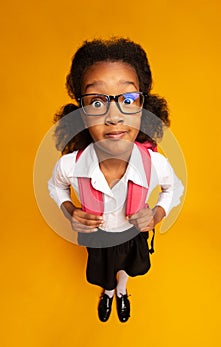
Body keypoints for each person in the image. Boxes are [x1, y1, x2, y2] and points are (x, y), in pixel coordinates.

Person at [48, 38, 184, 323]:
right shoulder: (71, 165)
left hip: (132, 236)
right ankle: (108, 292)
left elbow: (174, 188)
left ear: (144, 109)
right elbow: (55, 186)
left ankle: (122, 291)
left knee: (125, 269)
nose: (113, 116)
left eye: (128, 100)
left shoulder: (154, 164)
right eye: (97, 101)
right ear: (82, 115)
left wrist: (157, 214)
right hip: (97, 238)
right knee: (103, 271)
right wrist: (71, 211)